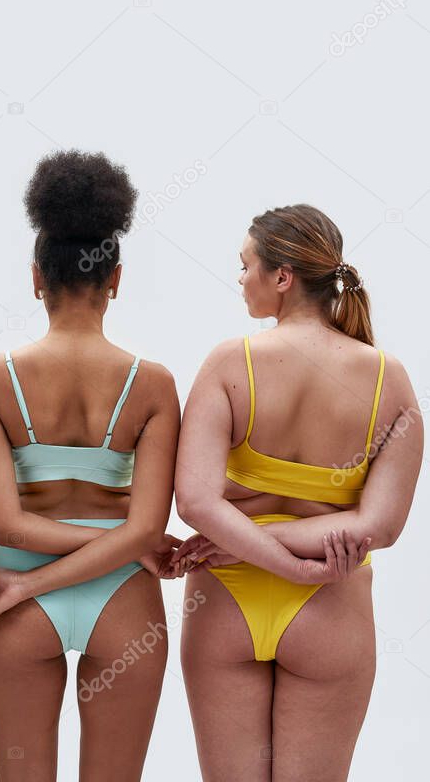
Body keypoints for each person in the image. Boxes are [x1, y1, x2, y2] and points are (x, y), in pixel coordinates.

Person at [173, 204, 423, 781]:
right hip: (331, 602)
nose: (240, 280)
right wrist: (292, 553)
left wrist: (249, 545)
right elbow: (379, 528)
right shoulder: (390, 378)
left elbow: (195, 502)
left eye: (245, 266)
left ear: (282, 277)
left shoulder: (230, 362)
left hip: (225, 601)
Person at [0, 150, 182, 781]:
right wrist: (128, 543)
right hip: (124, 597)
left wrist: (43, 574)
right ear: (116, 278)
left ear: (36, 278)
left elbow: (6, 527)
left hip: (17, 596)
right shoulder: (154, 385)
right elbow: (145, 533)